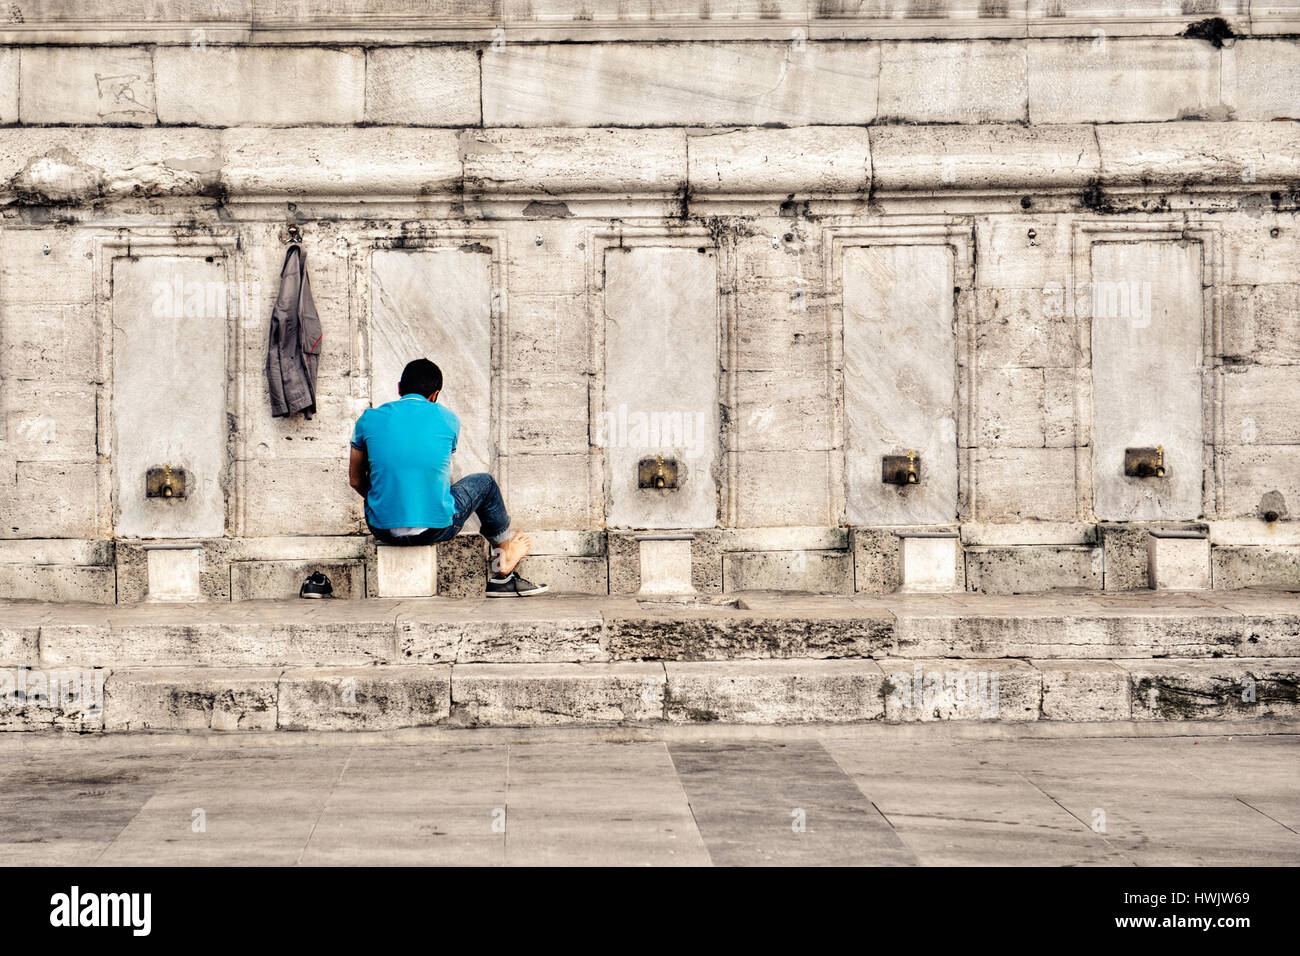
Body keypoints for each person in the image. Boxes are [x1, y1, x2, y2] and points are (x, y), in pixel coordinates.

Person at [349, 358, 547, 597]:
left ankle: (503, 563)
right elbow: (436, 472)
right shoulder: (448, 419)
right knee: (486, 483)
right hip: (436, 529)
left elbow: (356, 480)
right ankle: (502, 560)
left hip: (381, 528)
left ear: (399, 388)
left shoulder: (368, 419)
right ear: (435, 394)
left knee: (379, 478)